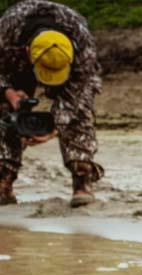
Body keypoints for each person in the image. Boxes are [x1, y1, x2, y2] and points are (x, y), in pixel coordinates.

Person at [0, 0, 104, 207]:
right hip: (13, 64)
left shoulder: (82, 43)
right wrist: (9, 92)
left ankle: (82, 179)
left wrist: (55, 127)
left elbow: (80, 91)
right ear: (28, 50)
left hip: (70, 68)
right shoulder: (6, 32)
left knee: (79, 113)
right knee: (4, 112)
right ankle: (3, 180)